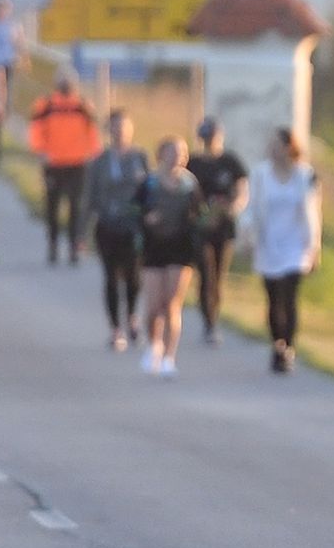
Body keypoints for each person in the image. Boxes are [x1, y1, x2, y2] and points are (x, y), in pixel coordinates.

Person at [248, 126, 322, 373]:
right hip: (269, 243)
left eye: (278, 145)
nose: (274, 149)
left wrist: (314, 247)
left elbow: (313, 212)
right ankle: (276, 343)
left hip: (296, 245)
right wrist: (247, 232)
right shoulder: (261, 174)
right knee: (273, 298)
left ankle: (288, 347)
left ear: (289, 147)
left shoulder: (304, 175)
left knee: (289, 297)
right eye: (271, 145)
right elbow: (252, 207)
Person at [136, 136, 204, 379]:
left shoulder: (190, 184)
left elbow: (199, 215)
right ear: (161, 155)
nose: (178, 156)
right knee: (154, 305)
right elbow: (135, 210)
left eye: (182, 152)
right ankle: (154, 343)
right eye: (173, 152)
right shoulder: (149, 183)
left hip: (180, 248)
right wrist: (146, 219)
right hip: (154, 247)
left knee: (172, 303)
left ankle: (169, 357)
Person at [84, 110, 150, 351]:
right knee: (111, 277)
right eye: (115, 127)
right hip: (107, 225)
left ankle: (132, 316)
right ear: (108, 130)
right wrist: (82, 233)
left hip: (132, 226)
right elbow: (89, 197)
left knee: (134, 276)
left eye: (124, 127)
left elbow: (148, 191)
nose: (120, 131)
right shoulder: (99, 161)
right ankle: (115, 328)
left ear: (131, 130)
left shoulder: (140, 157)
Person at [26, 73, 103, 265]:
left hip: (77, 163)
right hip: (53, 164)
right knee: (52, 207)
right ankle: (52, 244)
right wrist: (40, 151)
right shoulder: (46, 105)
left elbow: (92, 131)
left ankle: (73, 246)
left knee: (75, 207)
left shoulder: (83, 106)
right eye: (63, 82)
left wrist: (93, 153)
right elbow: (35, 129)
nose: (66, 85)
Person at [188, 117, 249, 346]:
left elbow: (242, 189)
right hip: (201, 226)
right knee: (206, 273)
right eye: (206, 138)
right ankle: (209, 321)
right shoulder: (193, 163)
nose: (210, 141)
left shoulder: (230, 161)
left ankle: (214, 316)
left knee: (219, 276)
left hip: (224, 226)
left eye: (213, 137)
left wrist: (234, 207)